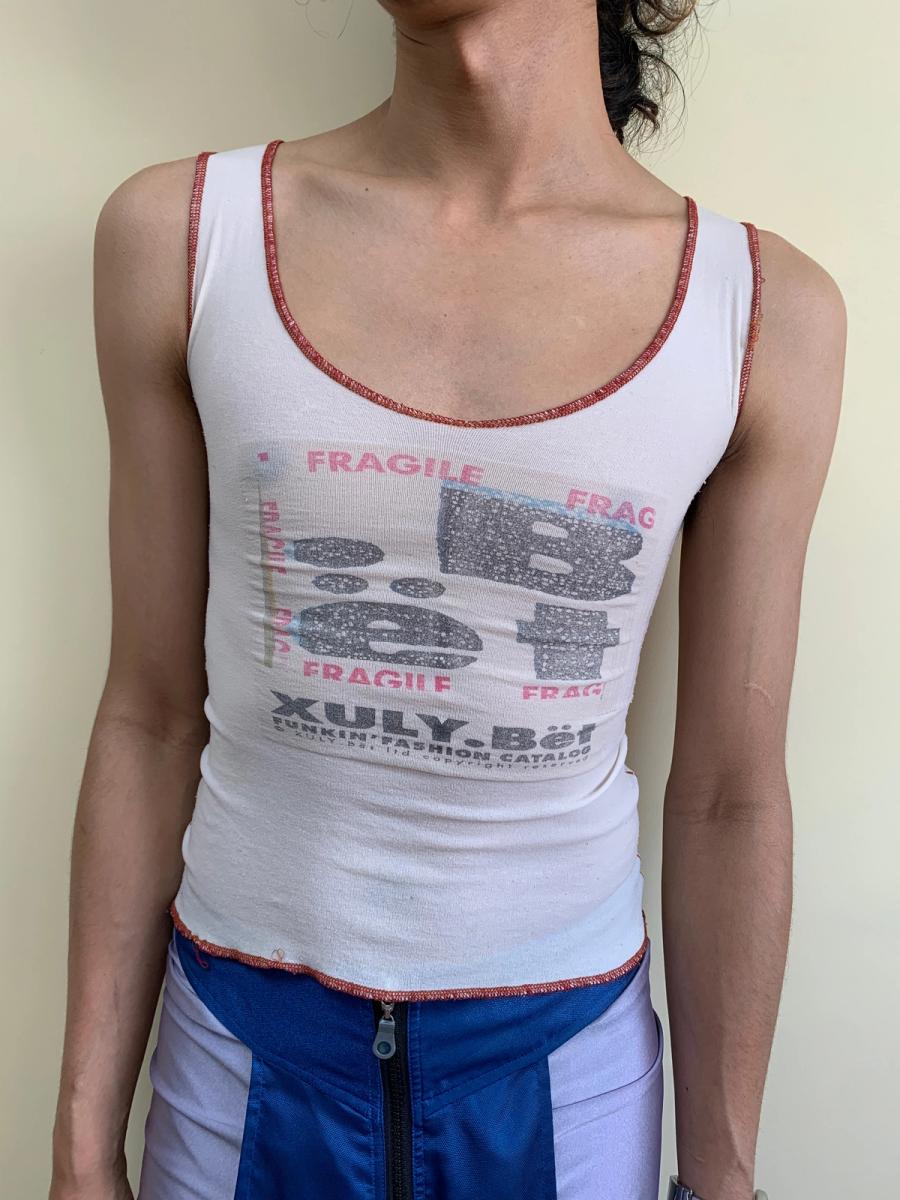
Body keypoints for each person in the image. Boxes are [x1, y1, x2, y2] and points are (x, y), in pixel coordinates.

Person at [49, 1, 845, 1198]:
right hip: (238, 1049)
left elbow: (731, 794)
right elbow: (150, 715)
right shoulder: (186, 237)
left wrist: (722, 1177)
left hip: (561, 1071)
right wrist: (79, 1149)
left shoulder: (761, 313)